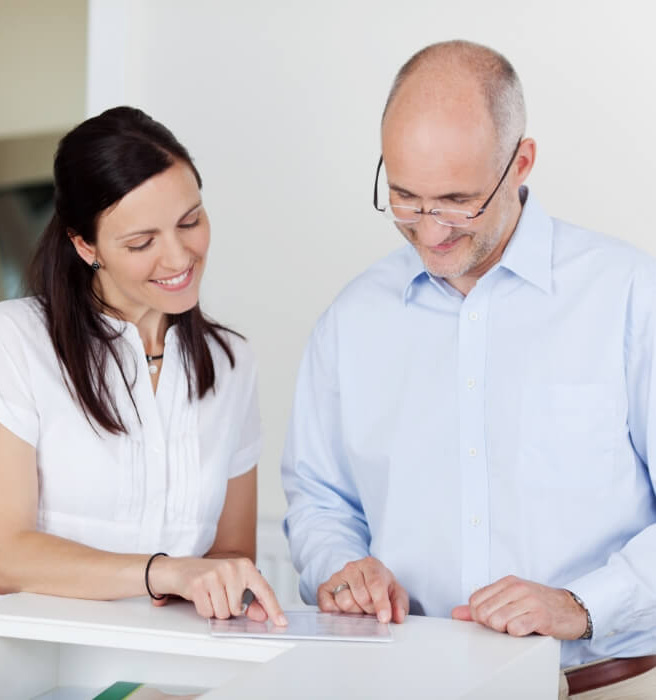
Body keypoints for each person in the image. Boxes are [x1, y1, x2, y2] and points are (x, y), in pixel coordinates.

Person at [281, 40, 656, 698]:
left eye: (458, 201)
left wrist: (583, 603)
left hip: (604, 684)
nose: (430, 231)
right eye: (404, 198)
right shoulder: (351, 319)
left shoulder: (629, 296)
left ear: (522, 163)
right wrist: (343, 568)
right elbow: (319, 499)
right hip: (404, 683)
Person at [0, 106, 286, 696]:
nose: (180, 258)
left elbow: (231, 554)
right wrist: (163, 572)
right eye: (142, 242)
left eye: (191, 221)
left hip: (180, 673)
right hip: (38, 668)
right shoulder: (15, 340)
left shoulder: (231, 362)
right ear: (86, 246)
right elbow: (6, 557)